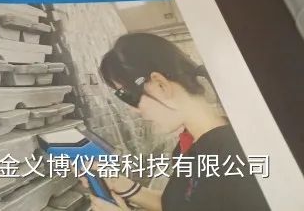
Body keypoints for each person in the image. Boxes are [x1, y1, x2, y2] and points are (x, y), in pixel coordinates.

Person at [90, 33, 269, 210]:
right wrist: (124, 186)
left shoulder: (238, 154)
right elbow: (181, 204)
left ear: (160, 84)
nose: (133, 110)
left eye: (128, 96)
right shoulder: (188, 146)